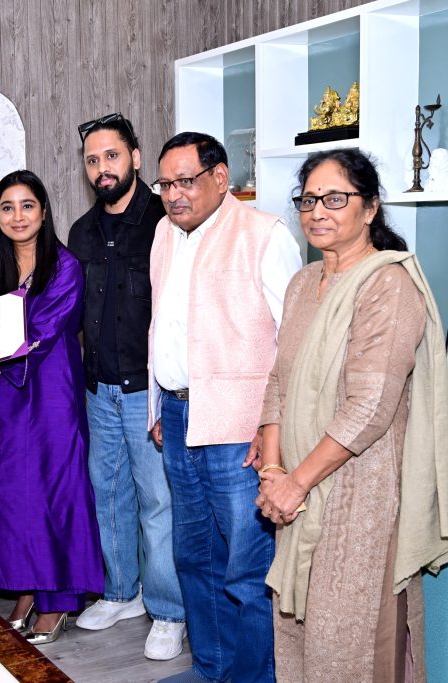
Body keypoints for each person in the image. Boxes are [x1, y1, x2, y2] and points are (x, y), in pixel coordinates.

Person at [254, 148, 448, 681]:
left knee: (350, 639)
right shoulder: (303, 282)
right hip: (300, 486)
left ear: (370, 208)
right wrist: (274, 471)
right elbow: (280, 378)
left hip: (362, 492)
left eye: (335, 199)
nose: (317, 212)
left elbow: (370, 407)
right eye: (309, 200)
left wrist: (295, 483)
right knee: (297, 629)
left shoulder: (389, 286)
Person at [147, 132, 302, 683]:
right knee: (195, 559)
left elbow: (294, 343)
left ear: (219, 178)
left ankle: (253, 677)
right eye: (165, 184)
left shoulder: (264, 234)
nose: (174, 195)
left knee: (246, 568)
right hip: (179, 418)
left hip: (242, 428)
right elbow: (164, 326)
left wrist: (272, 426)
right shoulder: (164, 234)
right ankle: (212, 670)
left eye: (185, 181)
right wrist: (159, 407)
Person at [0, 170, 104, 645]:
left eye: (27, 205)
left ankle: (58, 599)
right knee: (12, 493)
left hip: (51, 392)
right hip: (7, 394)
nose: (18, 216)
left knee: (54, 488)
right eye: (7, 207)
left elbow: (39, 331)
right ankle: (26, 588)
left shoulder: (65, 266)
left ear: (44, 212)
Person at [67, 113, 185, 660]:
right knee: (108, 493)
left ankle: (168, 611)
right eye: (92, 160)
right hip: (99, 389)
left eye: (111, 156)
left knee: (157, 501)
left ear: (135, 158)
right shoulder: (81, 232)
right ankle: (121, 593)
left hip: (149, 390)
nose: (102, 169)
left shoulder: (166, 222)